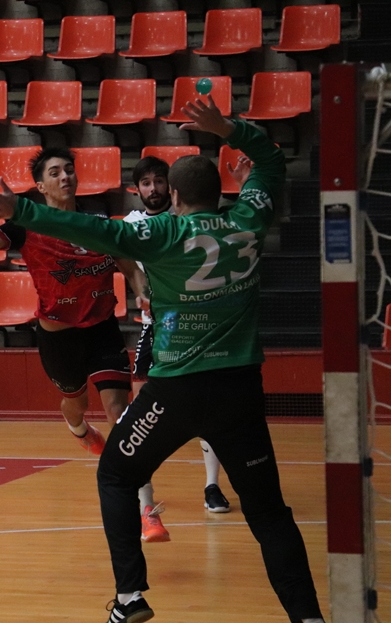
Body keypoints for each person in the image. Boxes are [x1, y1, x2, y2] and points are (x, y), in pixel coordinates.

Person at [0, 97, 324, 623]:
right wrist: (229, 129)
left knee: (116, 476)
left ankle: (129, 598)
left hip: (177, 391)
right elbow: (272, 162)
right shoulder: (250, 218)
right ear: (221, 193)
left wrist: (22, 211)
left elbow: (94, 232)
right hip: (240, 393)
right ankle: (309, 617)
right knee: (270, 513)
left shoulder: (162, 233)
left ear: (175, 197)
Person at [0, 147, 171, 542]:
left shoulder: (98, 225)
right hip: (59, 338)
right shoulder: (27, 229)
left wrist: (142, 292)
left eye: (69, 170)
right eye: (55, 172)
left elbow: (128, 265)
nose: (65, 177)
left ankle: (147, 510)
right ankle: (78, 428)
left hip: (102, 329)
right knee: (75, 403)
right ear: (41, 187)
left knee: (119, 413)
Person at [126, 155, 249, 515]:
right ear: (137, 190)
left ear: (173, 188)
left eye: (159, 181)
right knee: (139, 411)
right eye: (146, 183)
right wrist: (138, 287)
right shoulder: (132, 224)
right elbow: (125, 263)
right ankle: (145, 499)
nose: (153, 188)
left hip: (197, 325)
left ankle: (212, 484)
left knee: (209, 409)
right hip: (156, 328)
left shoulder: (190, 219)